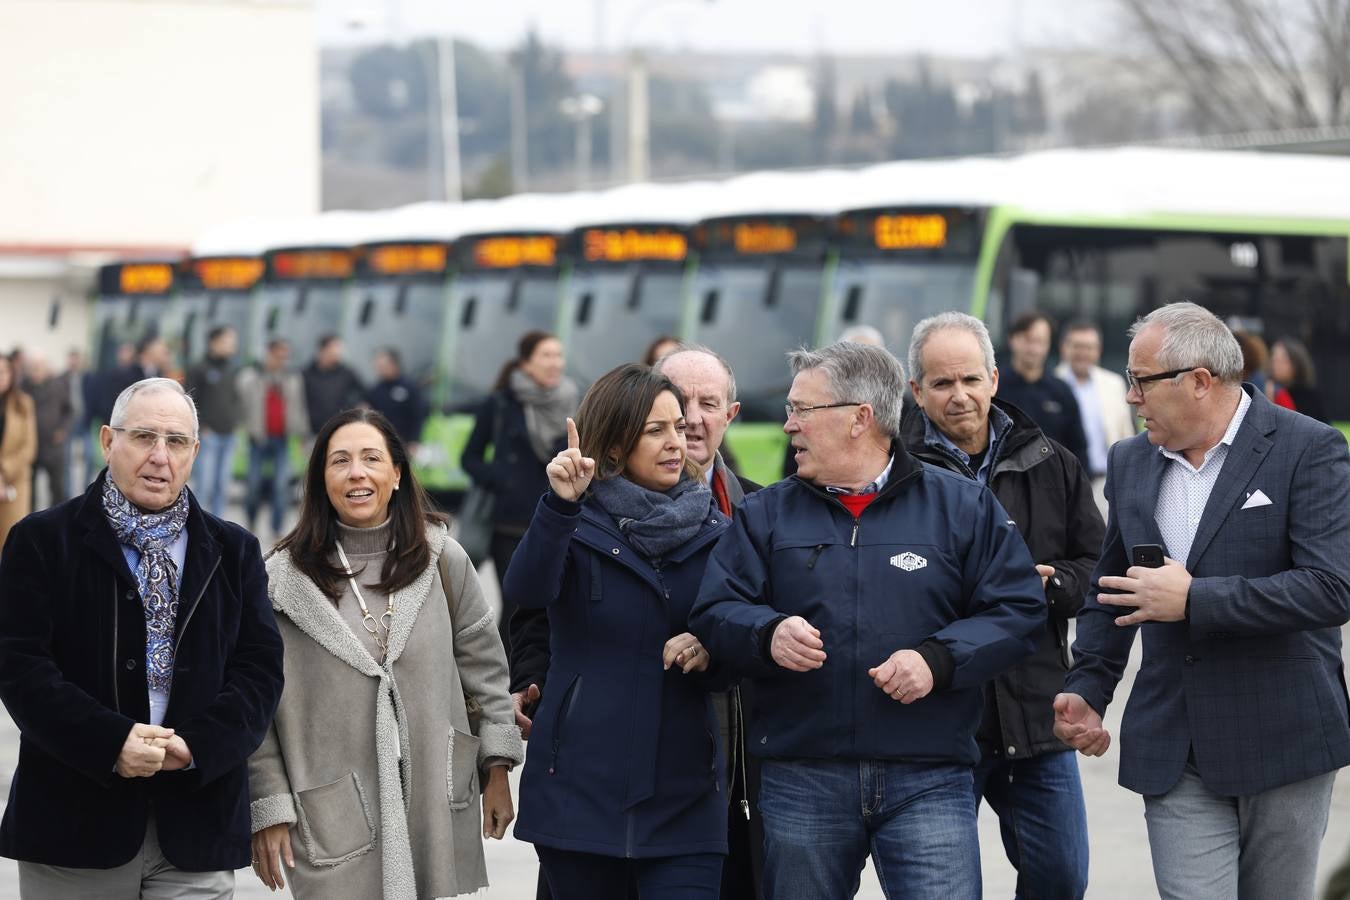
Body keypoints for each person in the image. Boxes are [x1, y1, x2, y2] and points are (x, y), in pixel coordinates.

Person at [690, 340, 1046, 900]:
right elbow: (714, 611)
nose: (788, 427)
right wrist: (766, 633)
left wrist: (938, 660)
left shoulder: (961, 506)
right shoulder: (764, 515)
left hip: (928, 776)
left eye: (801, 410)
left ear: (860, 418)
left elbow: (1020, 609)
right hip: (801, 776)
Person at [1053, 302, 1350, 900]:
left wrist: (1196, 599)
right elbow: (1113, 591)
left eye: (1141, 381)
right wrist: (1088, 688)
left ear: (1199, 381)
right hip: (1174, 740)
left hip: (1285, 737)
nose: (1131, 397)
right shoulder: (1131, 461)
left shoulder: (1309, 448)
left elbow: (1330, 587)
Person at [0, 377, 285, 897]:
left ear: (196, 452)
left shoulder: (234, 550)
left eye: (176, 442)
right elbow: (20, 668)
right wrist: (111, 742)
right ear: (108, 441)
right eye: (143, 437)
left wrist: (196, 746)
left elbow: (259, 671)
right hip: (75, 825)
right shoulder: (42, 541)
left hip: (196, 823)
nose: (160, 456)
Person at [510, 344, 765, 900]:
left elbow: (749, 634)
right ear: (618, 444)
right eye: (658, 430)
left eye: (682, 425)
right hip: (578, 793)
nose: (680, 439)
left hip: (687, 800)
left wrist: (713, 646)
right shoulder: (573, 521)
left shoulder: (723, 531)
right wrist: (558, 508)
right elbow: (527, 594)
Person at [249, 407, 522, 899]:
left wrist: (496, 767)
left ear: (396, 473)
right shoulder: (282, 583)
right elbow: (258, 709)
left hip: (434, 801)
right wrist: (269, 805)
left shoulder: (443, 559)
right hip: (332, 810)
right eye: (340, 461)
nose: (357, 473)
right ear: (320, 479)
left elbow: (485, 670)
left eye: (372, 458)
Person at [903, 313, 1103, 899]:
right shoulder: (895, 472)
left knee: (1062, 880)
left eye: (969, 379)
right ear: (917, 391)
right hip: (939, 722)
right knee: (944, 891)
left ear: (994, 378)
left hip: (1037, 714)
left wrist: (1054, 585)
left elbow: (1097, 569)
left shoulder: (1052, 462)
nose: (959, 395)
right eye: (941, 384)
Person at [462, 330, 578, 651]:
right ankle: (503, 680)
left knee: (555, 608)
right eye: (546, 355)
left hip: (558, 522)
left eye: (559, 355)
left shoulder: (573, 401)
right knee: (517, 607)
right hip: (510, 525)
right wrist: (502, 478)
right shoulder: (500, 403)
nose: (555, 362)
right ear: (526, 364)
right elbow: (469, 458)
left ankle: (540, 680)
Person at [1054, 319, 1136, 510]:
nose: (1083, 353)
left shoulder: (1114, 384)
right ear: (1064, 348)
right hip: (1063, 485)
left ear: (1098, 350)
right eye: (1078, 346)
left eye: (1089, 347)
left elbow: (1127, 434)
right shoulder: (1052, 384)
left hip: (1106, 486)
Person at [237, 339, 309, 538]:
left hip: (282, 439)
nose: (281, 360)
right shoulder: (254, 376)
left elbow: (299, 407)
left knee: (281, 486)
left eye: (285, 356)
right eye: (278, 355)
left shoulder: (292, 378)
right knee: (253, 484)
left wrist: (302, 434)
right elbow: (242, 399)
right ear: (268, 354)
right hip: (258, 438)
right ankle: (251, 520)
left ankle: (276, 529)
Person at [997, 311, 1089, 468]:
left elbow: (1078, 448)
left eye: (1040, 341)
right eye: (1028, 340)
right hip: (1002, 483)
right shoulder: (995, 387)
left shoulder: (1061, 391)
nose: (1034, 348)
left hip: (1054, 484)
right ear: (1012, 340)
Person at [186, 325, 244, 518]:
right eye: (229, 342)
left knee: (222, 486)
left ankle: (217, 525)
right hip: (207, 436)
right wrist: (201, 428)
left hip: (228, 434)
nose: (232, 347)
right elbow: (189, 401)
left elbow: (235, 399)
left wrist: (235, 423)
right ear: (214, 342)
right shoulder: (198, 368)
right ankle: (199, 524)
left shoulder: (232, 368)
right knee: (205, 484)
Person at [23, 352, 75, 508]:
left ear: (46, 368)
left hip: (53, 445)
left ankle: (55, 519)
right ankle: (30, 520)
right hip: (31, 445)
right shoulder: (22, 386)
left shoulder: (58, 385)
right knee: (30, 489)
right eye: (33, 368)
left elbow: (69, 411)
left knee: (57, 488)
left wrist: (63, 430)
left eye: (39, 367)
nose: (37, 371)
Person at [0, 354, 37, 551]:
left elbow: (28, 447)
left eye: (3, 372)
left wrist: (3, 473)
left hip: (14, 483)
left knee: (11, 545)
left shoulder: (23, 404)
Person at [367, 347, 429, 449]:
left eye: (382, 366)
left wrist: (415, 440)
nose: (380, 370)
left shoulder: (409, 387)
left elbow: (419, 415)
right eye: (378, 367)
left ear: (394, 364)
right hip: (381, 441)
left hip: (404, 442)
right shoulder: (377, 389)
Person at [302, 334, 365, 433]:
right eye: (335, 347)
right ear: (323, 350)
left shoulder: (347, 372)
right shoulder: (306, 374)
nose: (338, 352)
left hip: (341, 429)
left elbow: (363, 393)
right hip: (313, 432)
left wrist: (353, 409)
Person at [1268, 336, 1327, 422]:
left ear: (1296, 363)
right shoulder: (1266, 389)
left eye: (1283, 360)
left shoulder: (1309, 396)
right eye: (1274, 359)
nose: (1276, 364)